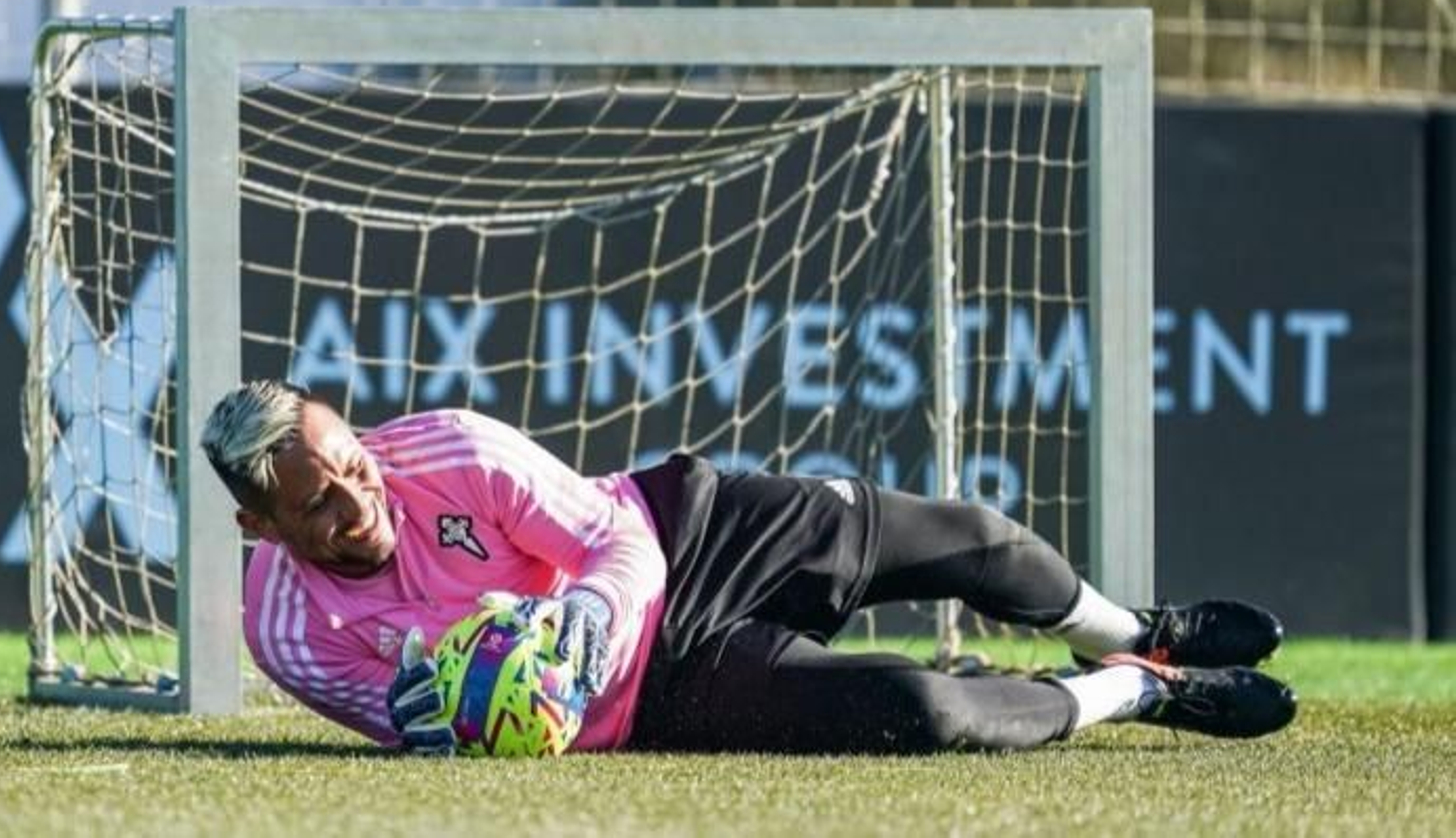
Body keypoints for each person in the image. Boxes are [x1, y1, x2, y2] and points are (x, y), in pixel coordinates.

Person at [201, 379, 1295, 755]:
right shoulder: (287, 633)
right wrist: (525, 693)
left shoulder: (448, 446)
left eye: (352, 461)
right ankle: (1138, 691)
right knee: (925, 710)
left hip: (688, 532)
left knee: (969, 537)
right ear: (263, 530)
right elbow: (418, 726)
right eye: (321, 505)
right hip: (650, 695)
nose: (360, 500)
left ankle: (1129, 624)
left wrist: (581, 609)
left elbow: (609, 538)